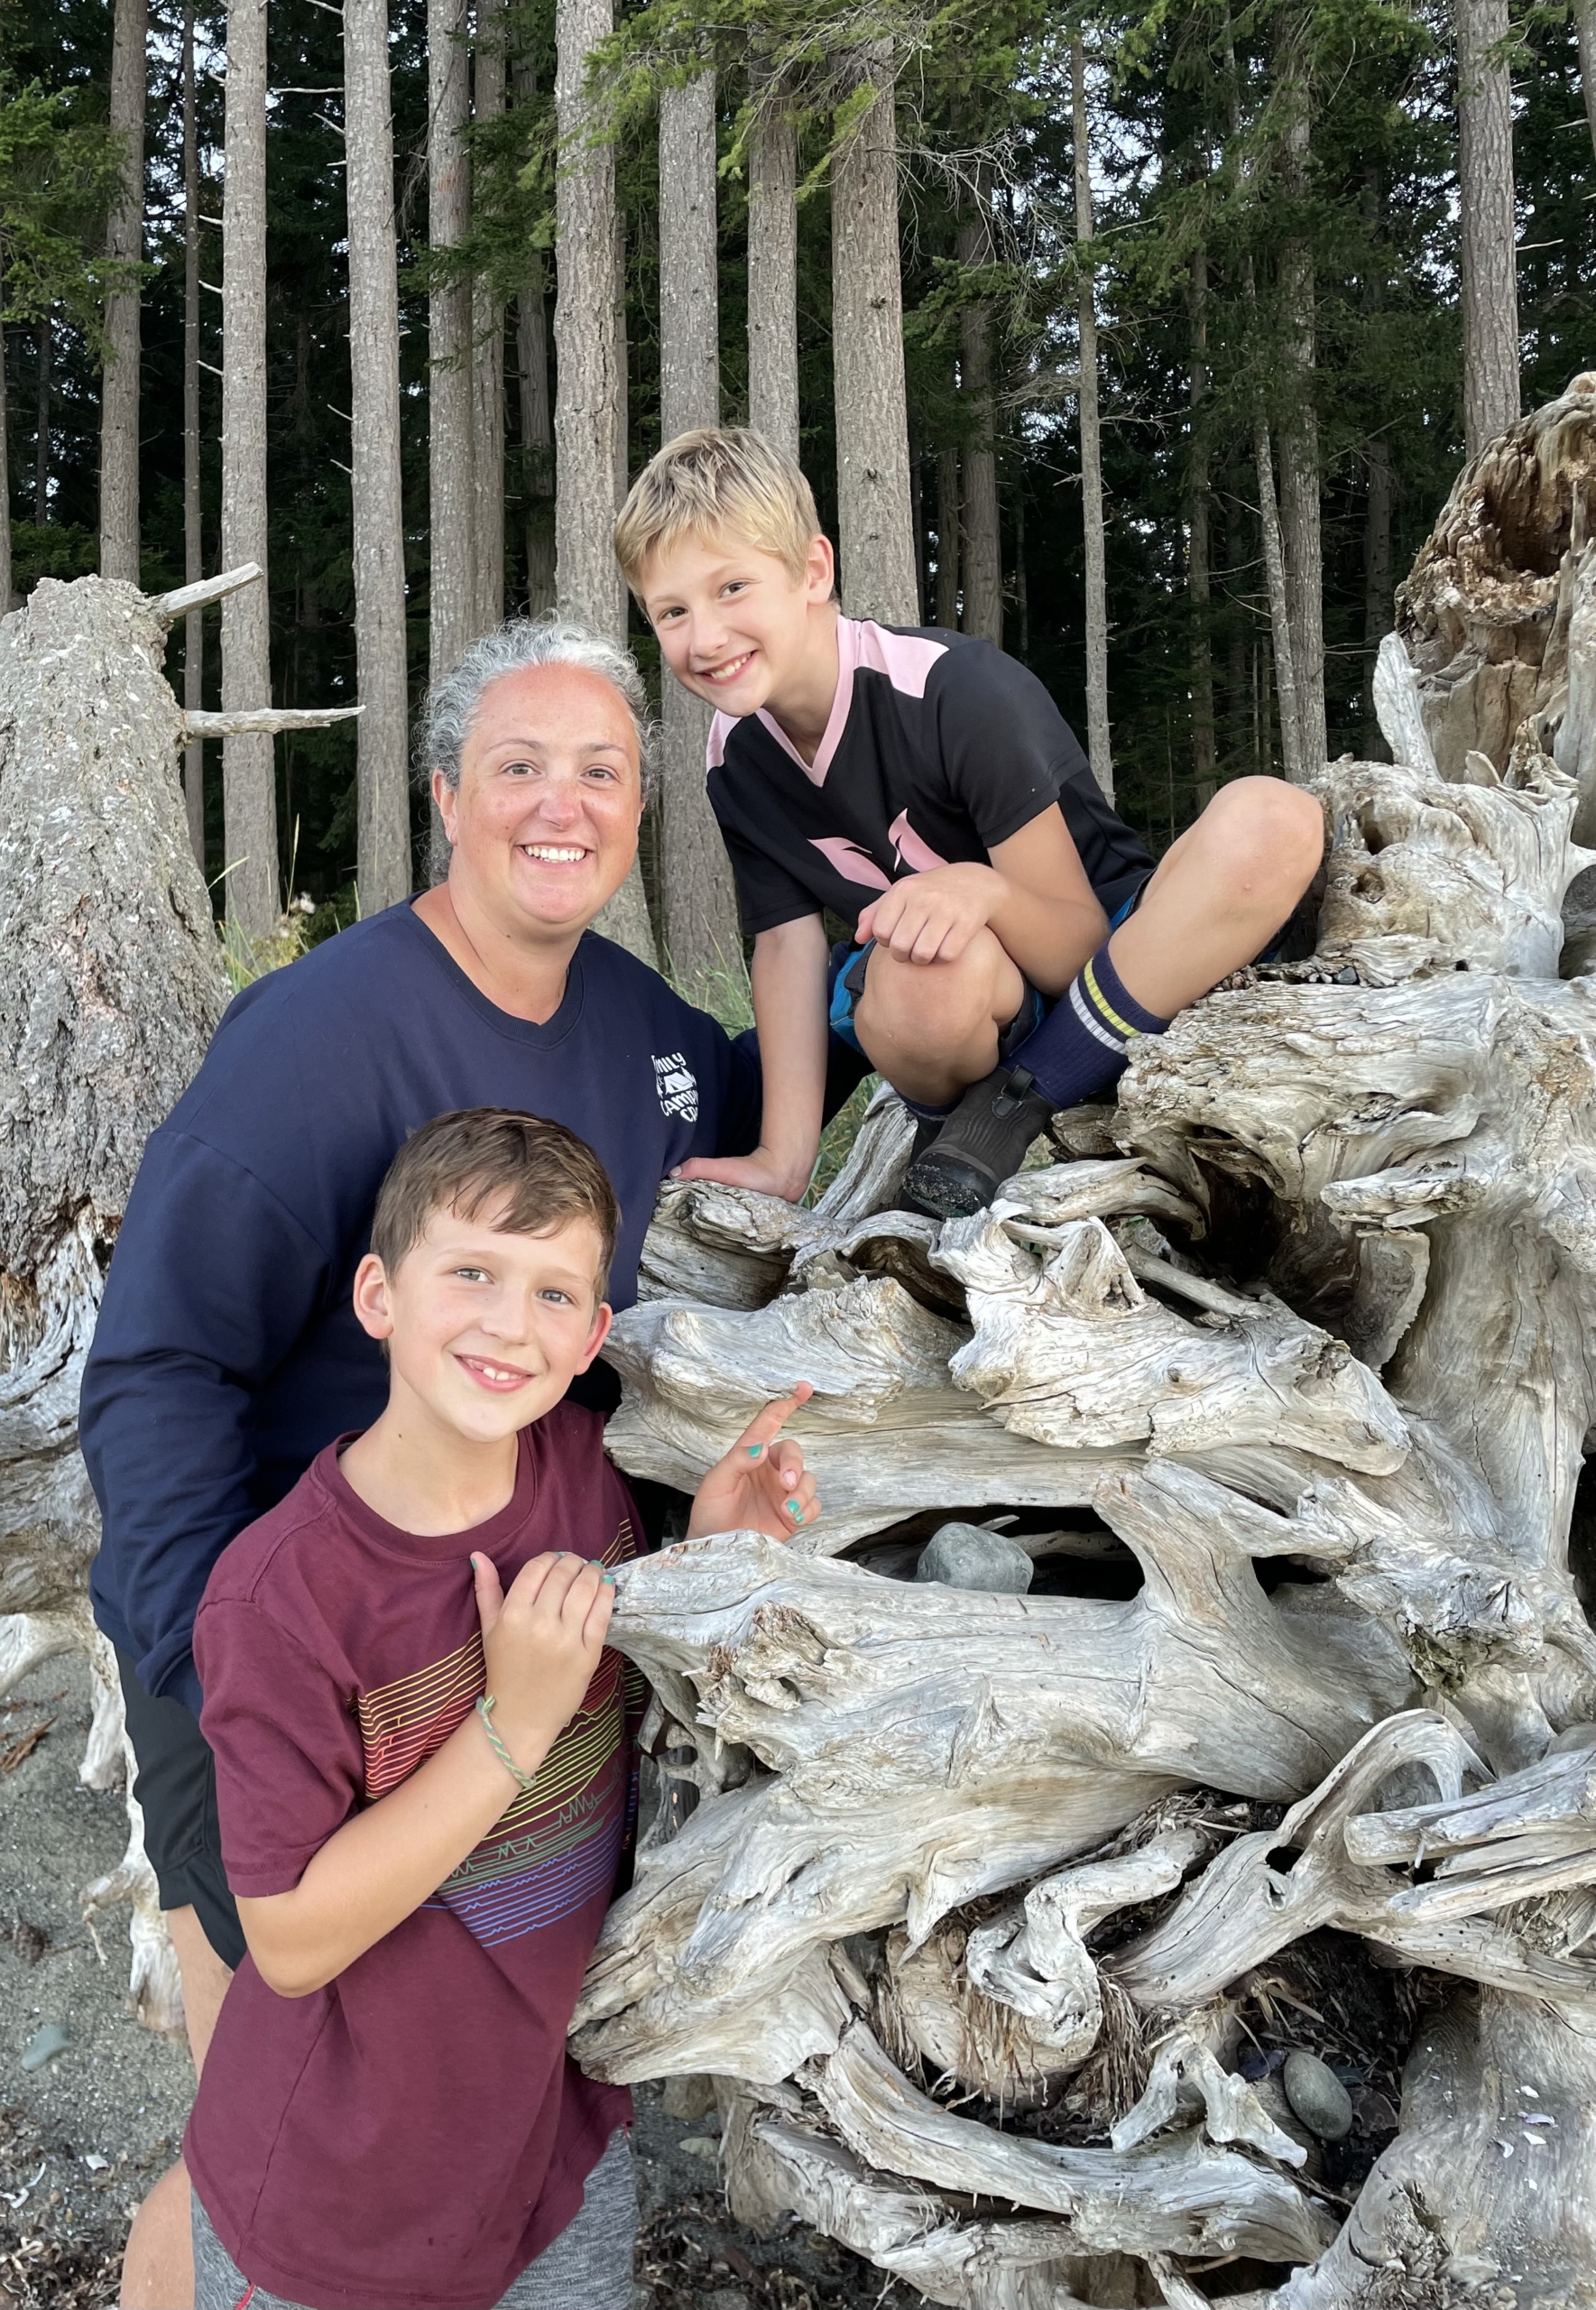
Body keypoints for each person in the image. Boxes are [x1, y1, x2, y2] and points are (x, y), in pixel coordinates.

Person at [79, 620, 773, 2309]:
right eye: (519, 766)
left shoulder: (638, 1033)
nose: (562, 804)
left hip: (505, 1647)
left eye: (600, 771)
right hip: (283, 1664)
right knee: (268, 2132)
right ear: (445, 794)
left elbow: (784, 1100)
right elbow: (158, 1366)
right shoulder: (317, 1039)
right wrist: (222, 1676)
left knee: (458, 2115)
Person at [182, 1106, 818, 2310]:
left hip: (551, 2139)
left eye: (549, 1293)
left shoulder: (585, 1470)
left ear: (592, 1337)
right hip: (345, 2194)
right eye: (470, 1271)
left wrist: (712, 1551)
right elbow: (291, 1937)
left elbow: (628, 1655)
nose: (505, 1323)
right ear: (379, 1295)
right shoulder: (281, 1597)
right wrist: (506, 1731)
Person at [614, 427, 1326, 1219]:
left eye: (732, 588)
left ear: (813, 571)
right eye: (670, 611)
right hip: (964, 1002)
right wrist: (783, 1159)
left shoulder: (953, 690)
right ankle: (948, 1133)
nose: (705, 637)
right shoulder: (732, 757)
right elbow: (786, 943)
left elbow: (1075, 948)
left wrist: (982, 889)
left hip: (1119, 956)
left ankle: (1013, 1107)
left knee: (1274, 817)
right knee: (914, 975)